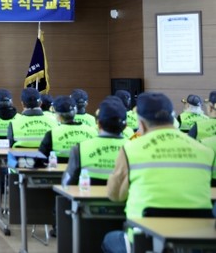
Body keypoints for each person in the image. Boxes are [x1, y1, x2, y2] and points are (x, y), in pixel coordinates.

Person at [102, 92, 215, 253]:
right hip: (197, 240)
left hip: (145, 240)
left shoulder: (131, 149)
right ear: (173, 117)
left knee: (110, 239)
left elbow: (115, 195)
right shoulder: (205, 150)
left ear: (141, 124)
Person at [62, 96, 128, 186]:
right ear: (125, 126)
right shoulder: (136, 149)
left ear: (99, 124)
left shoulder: (79, 149)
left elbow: (67, 183)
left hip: (85, 194)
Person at [38, 95, 97, 162]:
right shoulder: (93, 132)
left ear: (58, 115)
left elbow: (40, 159)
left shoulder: (51, 134)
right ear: (75, 112)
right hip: (85, 168)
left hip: (57, 168)